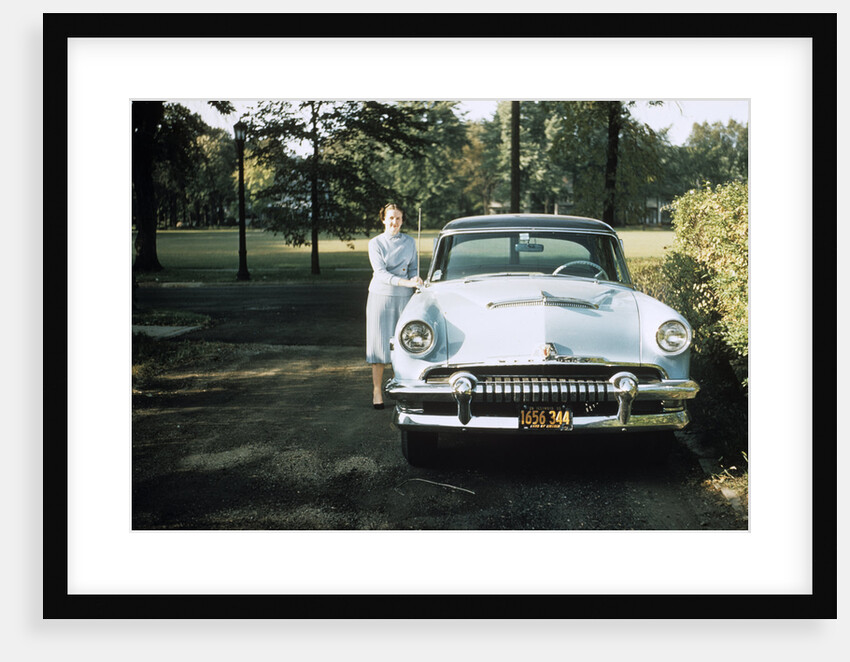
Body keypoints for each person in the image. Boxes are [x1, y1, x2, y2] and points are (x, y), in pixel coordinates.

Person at [366, 203, 423, 409]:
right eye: (390, 218)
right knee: (380, 345)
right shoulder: (375, 243)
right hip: (381, 297)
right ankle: (376, 391)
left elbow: (413, 268)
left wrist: (416, 278)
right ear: (383, 219)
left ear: (402, 220)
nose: (394, 222)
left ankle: (402, 389)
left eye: (398, 218)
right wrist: (406, 282)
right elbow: (380, 273)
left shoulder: (409, 241)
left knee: (404, 344)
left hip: (405, 298)